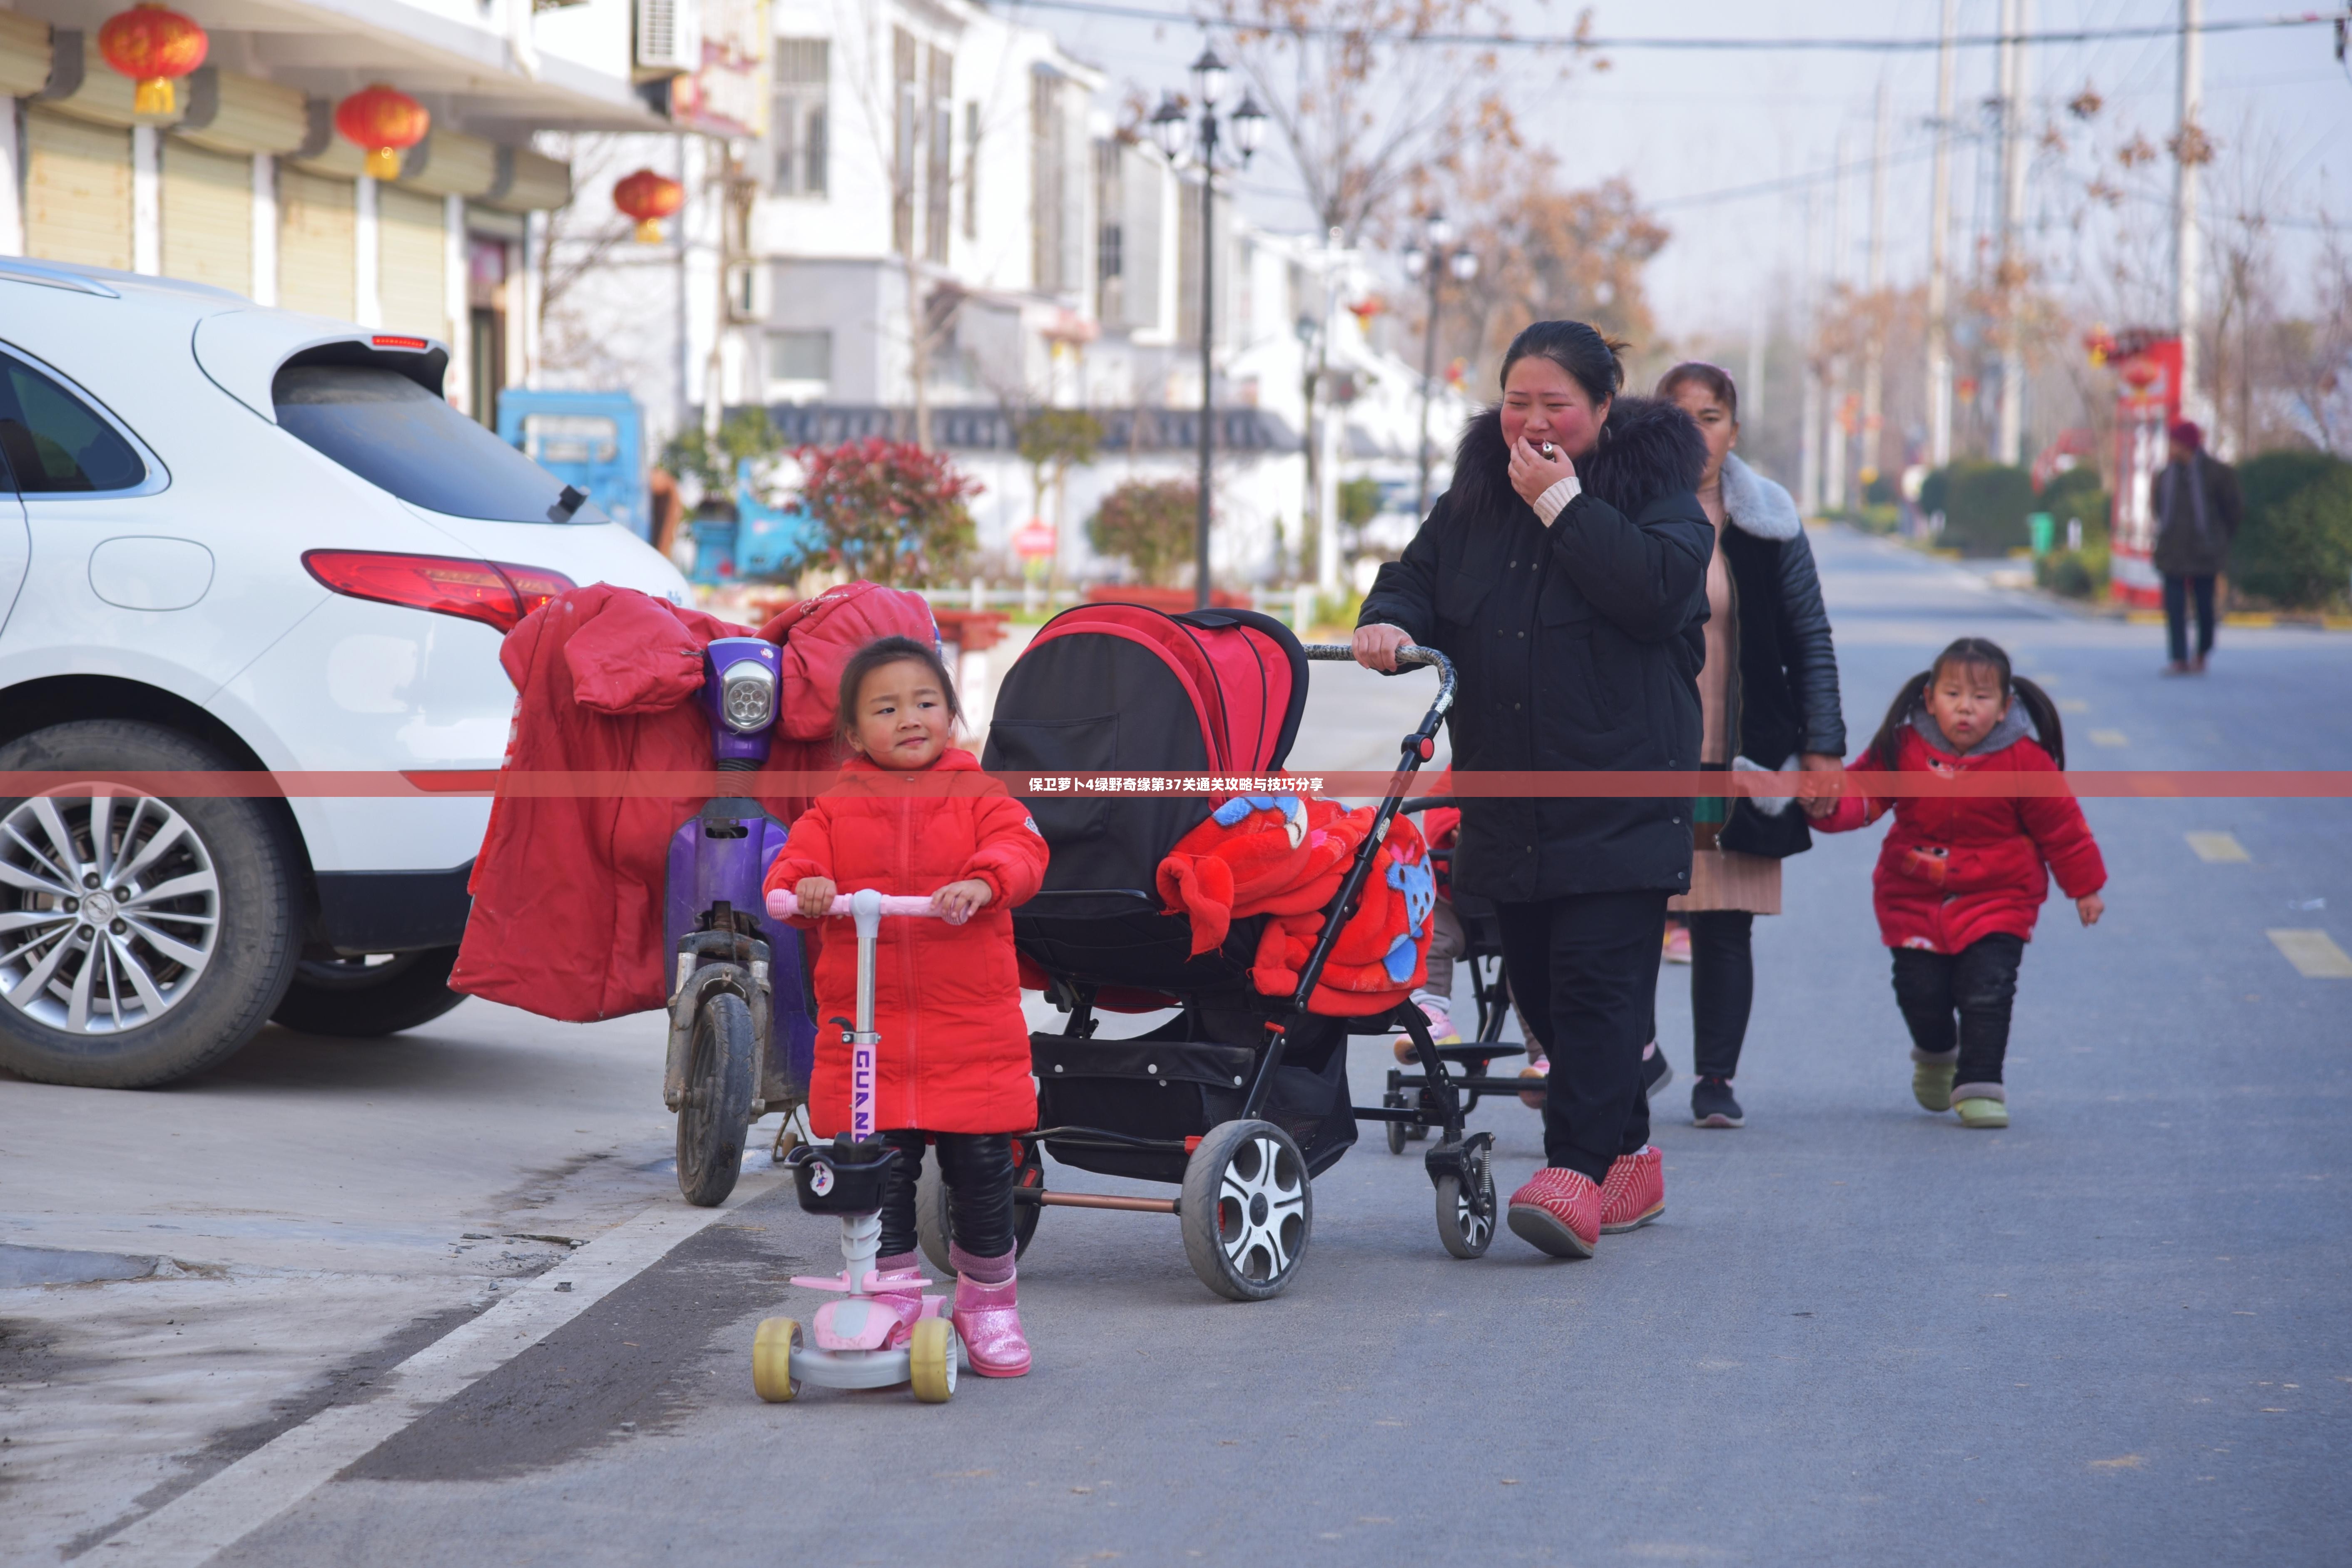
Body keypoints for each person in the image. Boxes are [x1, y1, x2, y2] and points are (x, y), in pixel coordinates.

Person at [1355, 320, 1712, 1259]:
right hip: (1507, 797)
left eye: (1557, 404)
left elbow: (1658, 593)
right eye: (1518, 401)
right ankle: (1630, 1156)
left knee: (1597, 992)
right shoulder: (1473, 497)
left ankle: (1574, 1171)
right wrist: (1388, 620)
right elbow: (1414, 579)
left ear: (1603, 407)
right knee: (1544, 997)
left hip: (1621, 794)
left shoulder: (1659, 496)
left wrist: (1562, 503)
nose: (1534, 421)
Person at [764, 635, 1049, 1374]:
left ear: (951, 714)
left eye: (925, 703)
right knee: (877, 1168)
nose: (910, 718)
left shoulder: (981, 796)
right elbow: (792, 868)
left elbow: (1023, 850)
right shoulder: (833, 810)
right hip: (870, 1032)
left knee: (982, 1168)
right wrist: (809, 888)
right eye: (886, 709)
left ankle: (988, 1301)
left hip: (969, 1032)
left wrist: (984, 882)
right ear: (856, 735)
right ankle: (888, 1289)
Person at [1649, 362, 1848, 1130]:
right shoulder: (1620, 508)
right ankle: (1632, 1058)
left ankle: (1714, 1080)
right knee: (1628, 918)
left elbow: (1810, 637)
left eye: (1711, 416)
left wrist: (1822, 747)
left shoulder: (1768, 520)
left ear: (1732, 430)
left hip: (1742, 755)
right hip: (1644, 756)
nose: (1696, 433)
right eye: (1679, 416)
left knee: (1723, 922)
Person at [1815, 637, 2107, 1128]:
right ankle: (1935, 1053)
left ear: (2005, 707)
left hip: (2001, 897)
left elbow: (2063, 829)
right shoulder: (1903, 748)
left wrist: (2085, 887)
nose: (1965, 708)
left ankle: (1980, 1083)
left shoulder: (2026, 761)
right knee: (1919, 991)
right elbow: (1862, 795)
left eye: (1981, 697)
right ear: (1930, 699)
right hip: (1912, 896)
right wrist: (1822, 805)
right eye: (1953, 694)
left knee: (1988, 990)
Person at [2151, 420, 2242, 676]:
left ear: (2187, 444)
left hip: (2206, 553)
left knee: (2205, 608)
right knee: (2175, 609)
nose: (2171, 447)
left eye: (2175, 442)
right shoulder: (2165, 476)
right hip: (2173, 553)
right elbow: (2158, 509)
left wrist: (2220, 538)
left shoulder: (2217, 473)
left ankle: (2202, 653)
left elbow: (2233, 510)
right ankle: (2179, 659)